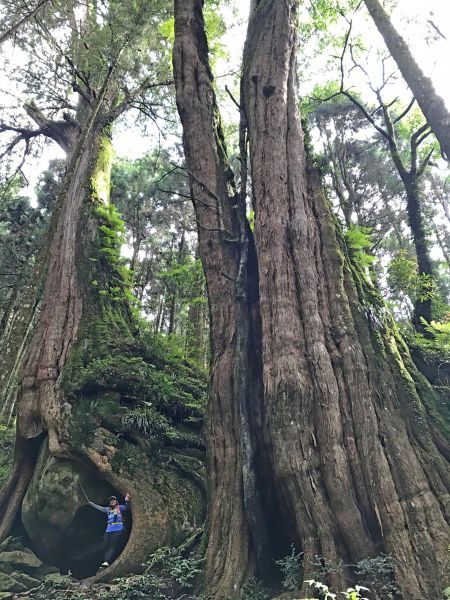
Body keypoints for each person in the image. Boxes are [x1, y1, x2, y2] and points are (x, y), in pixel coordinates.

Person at [89, 493, 131, 568]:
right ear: (110, 502)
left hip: (118, 529)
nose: (112, 502)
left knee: (112, 545)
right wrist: (92, 504)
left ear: (116, 501)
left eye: (114, 500)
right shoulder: (107, 509)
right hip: (109, 530)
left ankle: (106, 561)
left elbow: (127, 507)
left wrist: (127, 500)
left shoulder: (120, 508)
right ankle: (105, 559)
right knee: (105, 543)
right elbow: (100, 508)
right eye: (111, 501)